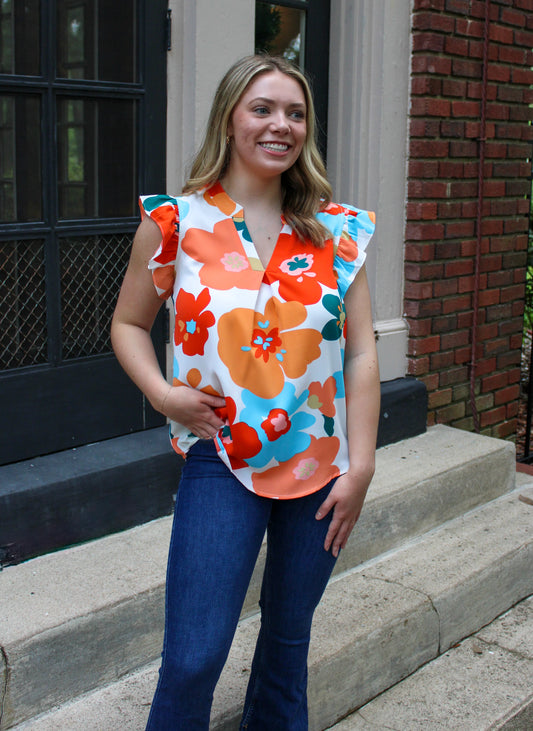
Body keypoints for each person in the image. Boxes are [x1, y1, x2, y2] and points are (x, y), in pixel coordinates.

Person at [111, 54, 380, 731]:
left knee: (287, 649)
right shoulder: (176, 221)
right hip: (220, 459)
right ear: (230, 118)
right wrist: (163, 394)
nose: (279, 125)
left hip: (319, 465)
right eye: (262, 108)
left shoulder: (336, 231)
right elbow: (128, 322)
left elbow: (363, 351)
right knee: (194, 658)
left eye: (294, 113)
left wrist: (362, 464)